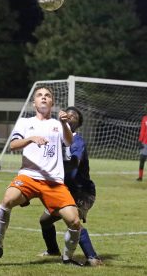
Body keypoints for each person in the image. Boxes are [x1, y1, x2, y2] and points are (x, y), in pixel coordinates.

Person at [0, 86, 85, 267]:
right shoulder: (24, 122)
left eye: (47, 96)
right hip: (29, 176)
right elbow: (13, 145)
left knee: (74, 221)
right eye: (40, 95)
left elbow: (68, 141)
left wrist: (63, 124)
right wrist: (31, 139)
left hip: (53, 182)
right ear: (34, 103)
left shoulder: (58, 123)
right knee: (7, 199)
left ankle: (67, 258)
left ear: (52, 102)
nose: (43, 98)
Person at [39, 106, 102, 266]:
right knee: (45, 221)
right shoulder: (55, 139)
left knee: (73, 222)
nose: (70, 116)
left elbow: (74, 164)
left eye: (74, 116)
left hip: (82, 192)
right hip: (64, 191)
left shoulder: (77, 141)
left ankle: (92, 257)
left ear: (78, 123)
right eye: (68, 113)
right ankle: (53, 250)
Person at [137, 105, 147, 181]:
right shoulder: (145, 118)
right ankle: (140, 177)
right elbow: (142, 130)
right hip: (145, 142)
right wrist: (140, 141)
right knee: (142, 159)